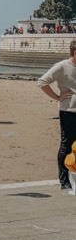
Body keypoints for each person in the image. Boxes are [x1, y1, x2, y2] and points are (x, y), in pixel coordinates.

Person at [37, 40, 76, 190]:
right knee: (66, 145)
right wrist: (57, 97)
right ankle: (64, 180)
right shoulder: (62, 66)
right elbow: (42, 82)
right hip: (69, 112)